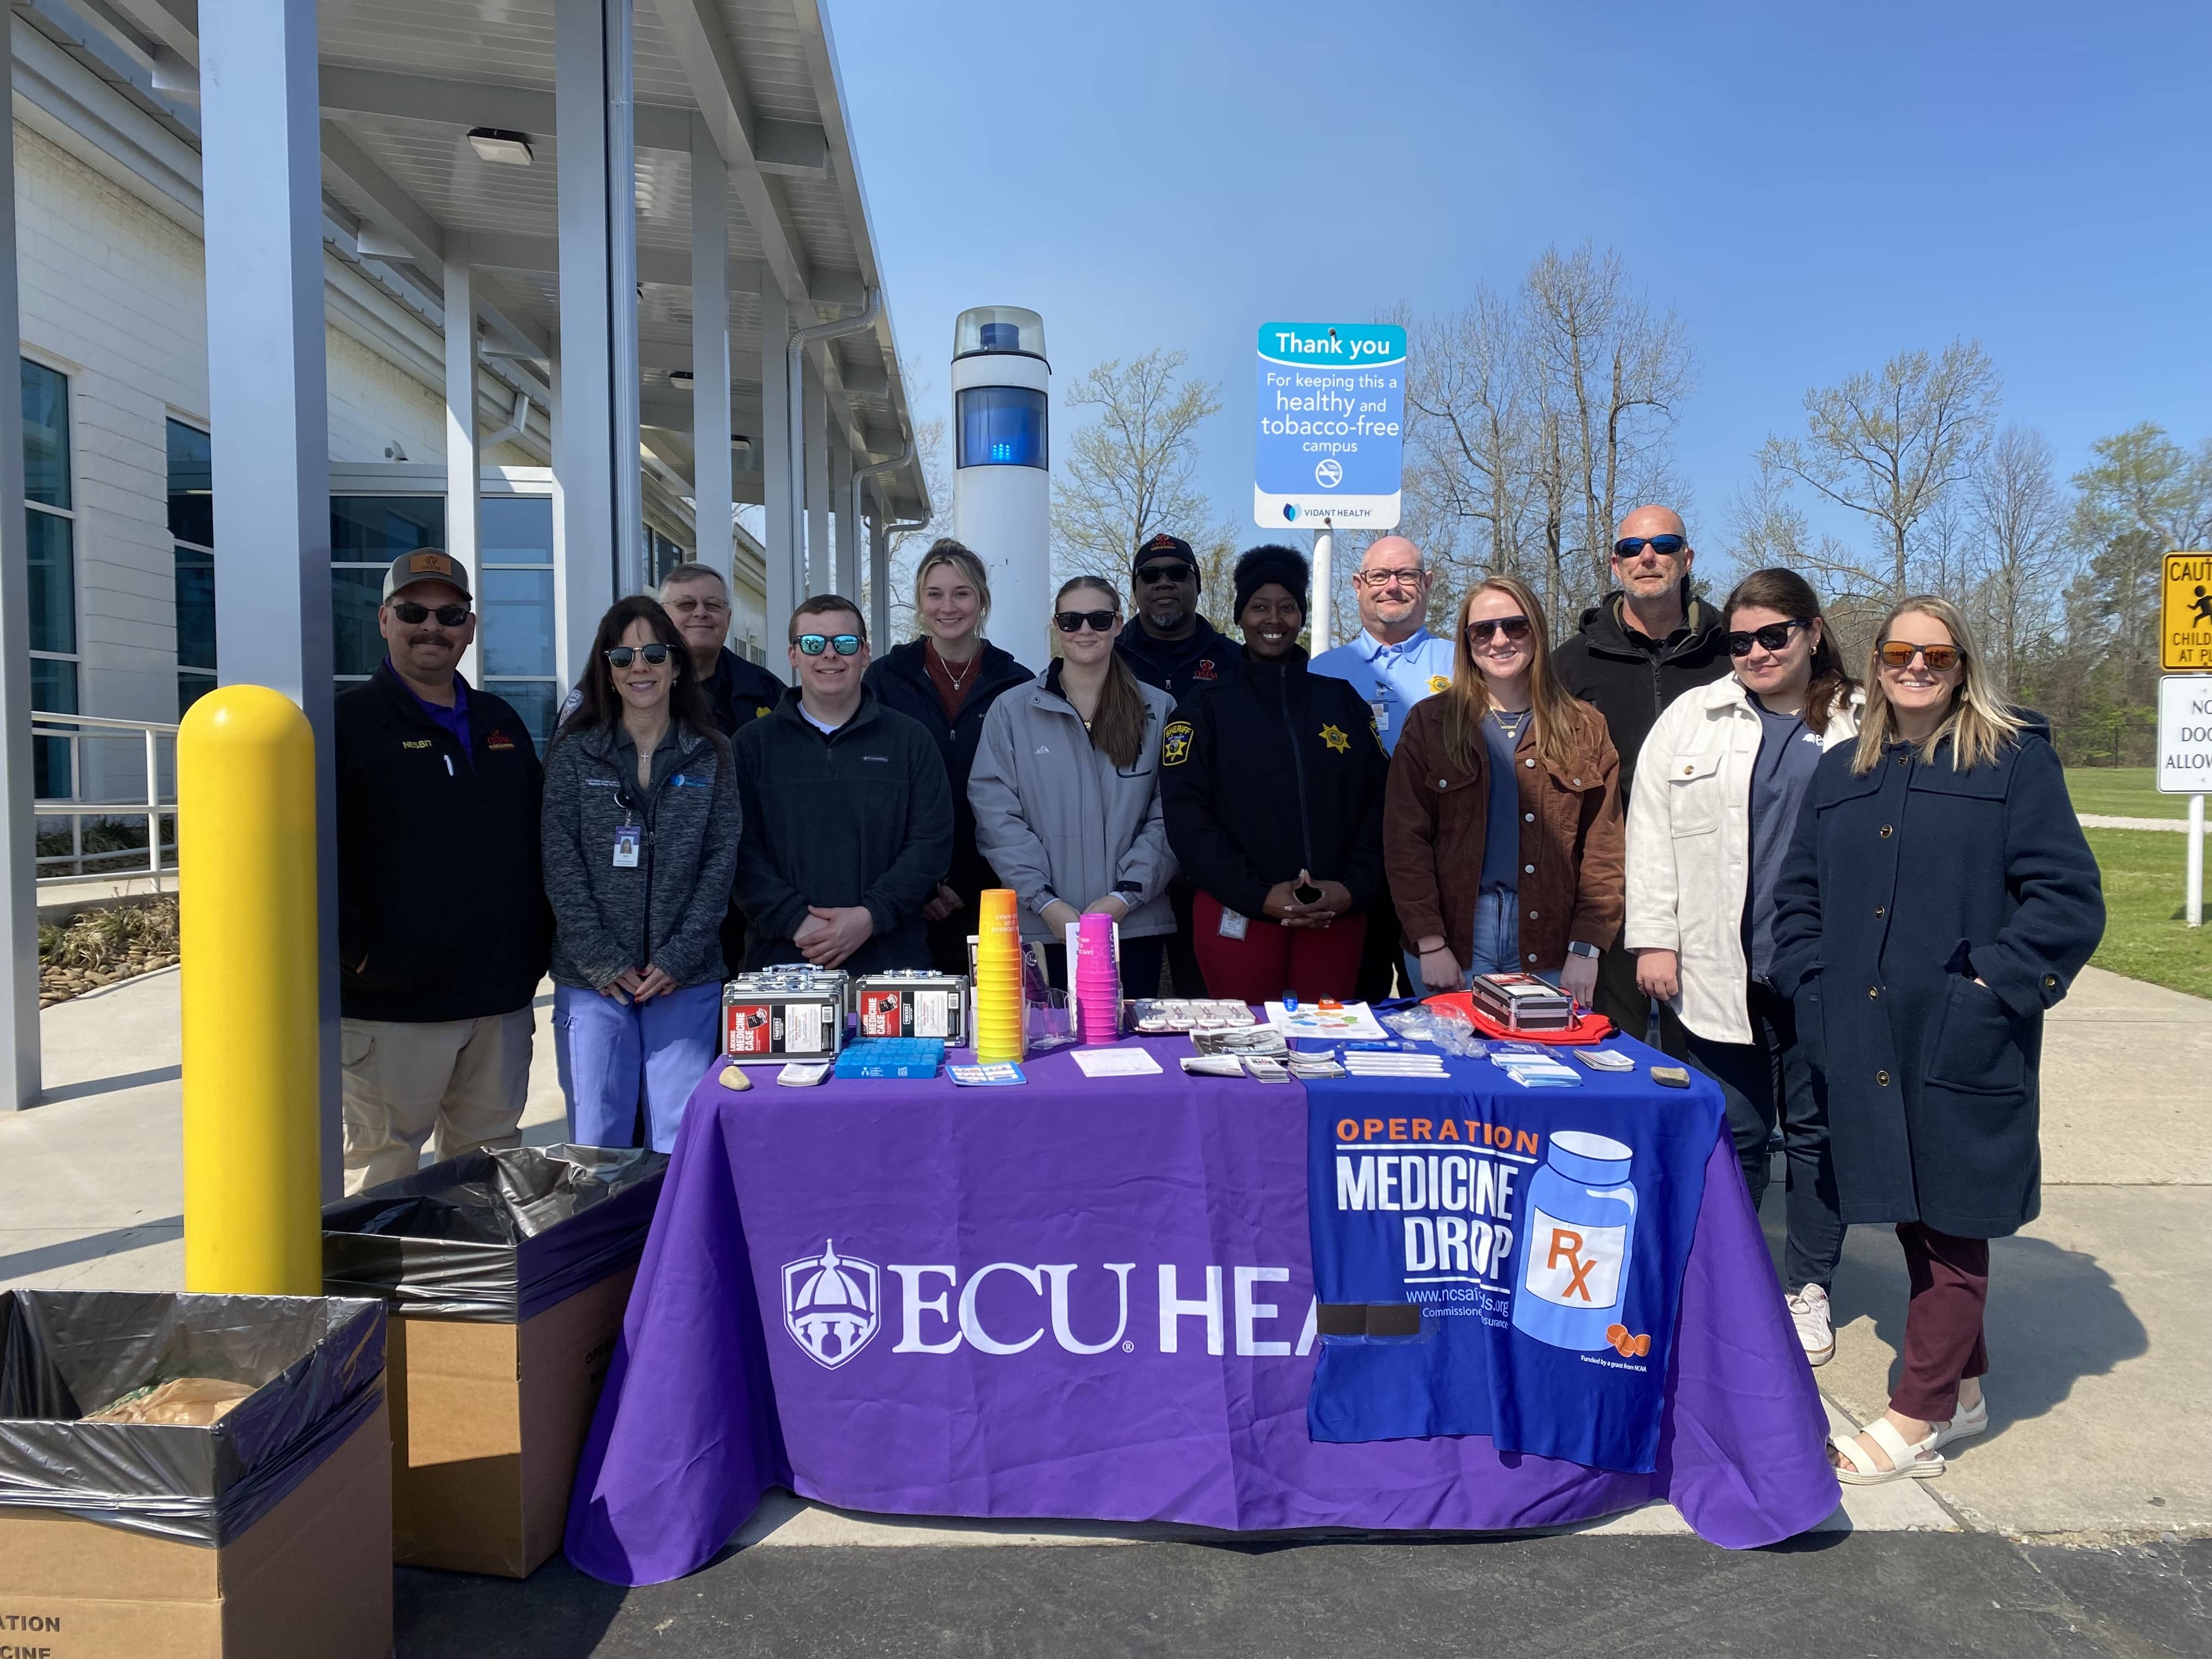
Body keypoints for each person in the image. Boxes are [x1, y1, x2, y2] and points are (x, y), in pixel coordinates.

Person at [1773, 596, 2102, 1484]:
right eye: (1897, 651)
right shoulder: (1841, 770)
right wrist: (1810, 984)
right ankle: (1962, 1387)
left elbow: (2066, 899)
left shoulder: (2012, 760)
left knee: (1954, 1218)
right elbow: (1795, 896)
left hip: (1960, 1034)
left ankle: (1916, 1413)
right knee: (1913, 1213)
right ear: (1874, 661)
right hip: (1862, 1027)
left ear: (1963, 665)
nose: (1915, 666)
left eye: (1937, 654)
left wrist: (1992, 985)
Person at [1624, 568, 1861, 1367]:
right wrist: (1654, 937)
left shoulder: (1865, 720)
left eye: (1774, 635)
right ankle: (1732, 1278)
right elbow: (1648, 832)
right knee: (1735, 1128)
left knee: (1820, 1128)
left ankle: (1810, 1287)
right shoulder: (1696, 717)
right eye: (1740, 640)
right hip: (1717, 964)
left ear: (1814, 632)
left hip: (1825, 967)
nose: (1757, 652)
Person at [335, 548, 551, 1193]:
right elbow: (320, 852)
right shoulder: (346, 723)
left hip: (498, 1002)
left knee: (488, 1172)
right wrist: (360, 955)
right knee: (381, 1169)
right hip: (392, 1008)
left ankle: (466, 1297)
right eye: (414, 611)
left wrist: (532, 947)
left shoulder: (499, 721)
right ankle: (374, 1297)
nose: (432, 626)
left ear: (470, 627)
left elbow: (538, 837)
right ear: (384, 619)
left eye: (449, 613)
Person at [541, 596, 740, 1152]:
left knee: (679, 1138)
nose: (640, 668)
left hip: (685, 977)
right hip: (594, 982)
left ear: (677, 665)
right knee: (597, 1137)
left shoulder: (711, 754)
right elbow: (559, 860)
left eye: (654, 653)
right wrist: (599, 957)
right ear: (606, 669)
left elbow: (720, 861)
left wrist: (679, 956)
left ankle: (670, 1241)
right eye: (623, 656)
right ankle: (607, 1243)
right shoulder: (576, 753)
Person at [1159, 546, 1387, 1002]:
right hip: (1238, 912)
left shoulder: (1342, 702)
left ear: (1301, 616)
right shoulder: (1204, 709)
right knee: (1247, 1052)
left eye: (1288, 607)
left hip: (1334, 913)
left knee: (1326, 1052)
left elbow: (1381, 806)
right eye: (1259, 607)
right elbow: (1187, 820)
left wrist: (1350, 889)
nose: (1274, 619)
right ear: (1240, 616)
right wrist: (1255, 893)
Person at [1384, 574, 1621, 1004]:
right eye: (1483, 630)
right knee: (1458, 1066)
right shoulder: (1430, 723)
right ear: (1467, 641)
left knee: (1547, 1069)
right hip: (1455, 936)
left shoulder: (1584, 725)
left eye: (1515, 626)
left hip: (1551, 939)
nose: (1499, 640)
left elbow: (1604, 848)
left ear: (1536, 631)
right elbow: (1405, 842)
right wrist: (1430, 941)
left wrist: (1587, 947)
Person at [1554, 504, 1733, 1051]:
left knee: (1705, 1065)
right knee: (1609, 1055)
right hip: (1608, 891)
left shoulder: (1733, 653)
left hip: (1713, 888)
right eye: (1632, 548)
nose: (1648, 557)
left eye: (1664, 545)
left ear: (1687, 557)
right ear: (1615, 563)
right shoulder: (1571, 664)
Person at [968, 576, 1178, 996]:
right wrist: (1045, 902)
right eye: (1071, 620)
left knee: (1124, 1055)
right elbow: (996, 815)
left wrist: (1124, 899)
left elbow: (1171, 813)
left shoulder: (1159, 710)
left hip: (1131, 927)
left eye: (1099, 620)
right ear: (1057, 627)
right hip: (1041, 927)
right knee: (1044, 1054)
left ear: (1119, 625)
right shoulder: (1011, 711)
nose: (1085, 630)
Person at [733, 595, 955, 973]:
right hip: (784, 965)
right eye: (813, 644)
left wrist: (870, 915)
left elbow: (931, 844)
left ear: (865, 654)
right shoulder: (751, 746)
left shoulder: (909, 741)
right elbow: (736, 849)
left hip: (892, 967)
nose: (830, 655)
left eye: (845, 644)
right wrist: (795, 921)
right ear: (793, 655)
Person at [860, 541, 1031, 974]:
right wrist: (916, 884)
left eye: (962, 593)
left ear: (982, 601)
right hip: (902, 897)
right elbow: (871, 795)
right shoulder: (885, 679)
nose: (948, 606)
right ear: (920, 602)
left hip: (991, 890)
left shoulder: (1016, 684)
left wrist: (969, 881)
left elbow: (1028, 797)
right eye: (935, 594)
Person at [1312, 534, 1456, 1001]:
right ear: (1357, 585)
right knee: (1353, 1010)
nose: (1392, 586)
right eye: (1379, 576)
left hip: (1440, 874)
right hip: (1352, 872)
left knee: (1445, 1015)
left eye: (1407, 575)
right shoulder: (1322, 671)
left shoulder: (1463, 664)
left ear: (1427, 583)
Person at [1116, 532, 1237, 995]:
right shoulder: (1108, 660)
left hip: (1210, 864)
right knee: (1124, 1006)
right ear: (1136, 589)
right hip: (1126, 860)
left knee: (1205, 999)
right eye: (1150, 575)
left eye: (1176, 573)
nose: (1163, 583)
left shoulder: (1233, 661)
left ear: (1197, 584)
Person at [656, 559, 783, 976]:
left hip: (749, 893)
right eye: (686, 604)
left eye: (713, 604)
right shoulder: (627, 686)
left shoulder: (766, 692)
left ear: (728, 616)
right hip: (662, 893)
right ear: (662, 616)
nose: (701, 613)